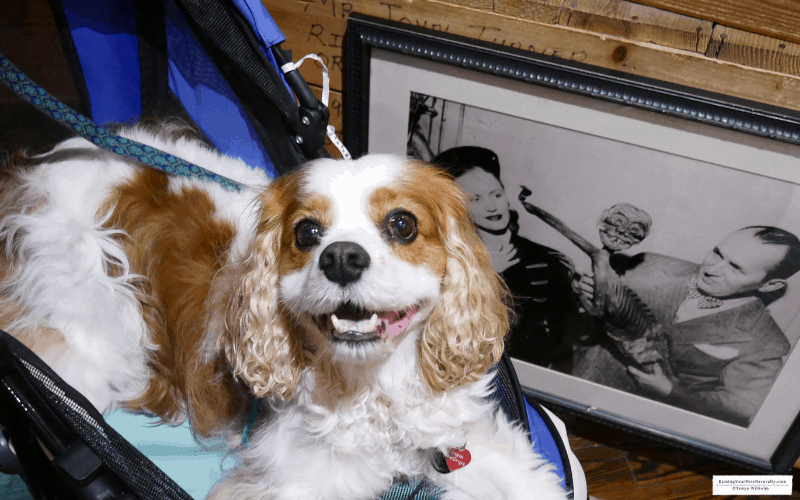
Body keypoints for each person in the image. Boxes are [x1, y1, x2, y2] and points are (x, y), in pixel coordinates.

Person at [574, 226, 800, 426]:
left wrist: (670, 391)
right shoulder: (649, 266)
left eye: (735, 268)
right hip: (588, 378)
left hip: (657, 417)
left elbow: (741, 406)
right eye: (717, 253)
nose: (712, 269)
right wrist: (593, 294)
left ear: (771, 285)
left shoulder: (766, 342)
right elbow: (600, 320)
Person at [433, 146, 585, 368]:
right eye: (475, 199)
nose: (492, 206)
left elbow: (571, 338)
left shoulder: (547, 260)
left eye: (496, 194)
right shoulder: (446, 264)